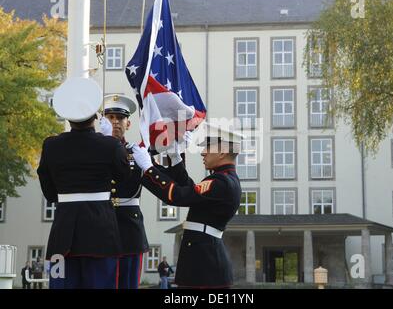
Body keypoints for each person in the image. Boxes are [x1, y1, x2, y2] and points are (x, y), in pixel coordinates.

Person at [37, 77, 130, 289]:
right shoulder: (109, 146)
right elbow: (124, 177)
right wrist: (114, 144)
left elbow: (50, 192)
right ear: (96, 116)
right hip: (101, 233)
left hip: (63, 233)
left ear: (68, 117)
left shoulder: (51, 146)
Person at [132, 123, 243, 288]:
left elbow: (178, 195)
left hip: (204, 261)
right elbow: (189, 190)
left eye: (208, 147)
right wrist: (177, 160)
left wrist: (148, 168)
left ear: (222, 152)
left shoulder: (220, 182)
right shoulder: (224, 179)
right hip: (204, 255)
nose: (203, 152)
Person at [103, 94, 149, 289]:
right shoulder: (94, 151)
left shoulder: (136, 152)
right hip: (101, 223)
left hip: (129, 227)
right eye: (110, 117)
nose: (115, 122)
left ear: (128, 124)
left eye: (120, 118)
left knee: (128, 284)